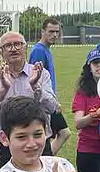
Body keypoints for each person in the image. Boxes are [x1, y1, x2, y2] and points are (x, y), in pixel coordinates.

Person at [0, 31, 60, 162]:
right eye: (8, 46)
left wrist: (36, 87)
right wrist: (2, 90)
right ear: (0, 52)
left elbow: (52, 107)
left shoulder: (40, 74)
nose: (13, 49)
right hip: (4, 147)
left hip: (37, 144)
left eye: (18, 44)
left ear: (25, 48)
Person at [29, 19, 71, 157]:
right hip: (43, 103)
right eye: (51, 31)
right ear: (43, 32)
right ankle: (46, 158)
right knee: (62, 133)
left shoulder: (46, 49)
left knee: (60, 134)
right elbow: (34, 78)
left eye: (57, 32)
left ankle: (45, 158)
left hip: (49, 100)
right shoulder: (38, 51)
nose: (55, 35)